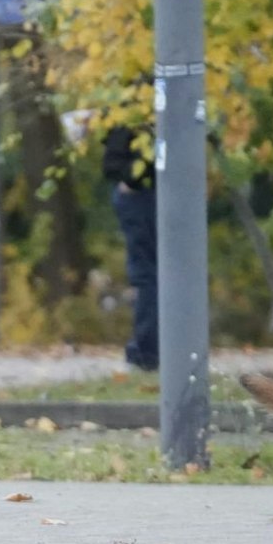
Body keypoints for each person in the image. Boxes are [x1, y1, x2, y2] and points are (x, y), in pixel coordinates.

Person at [102, 122, 157, 371]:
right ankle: (150, 349)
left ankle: (146, 351)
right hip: (143, 191)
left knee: (146, 275)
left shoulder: (138, 110)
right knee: (151, 273)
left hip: (140, 193)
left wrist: (131, 180)